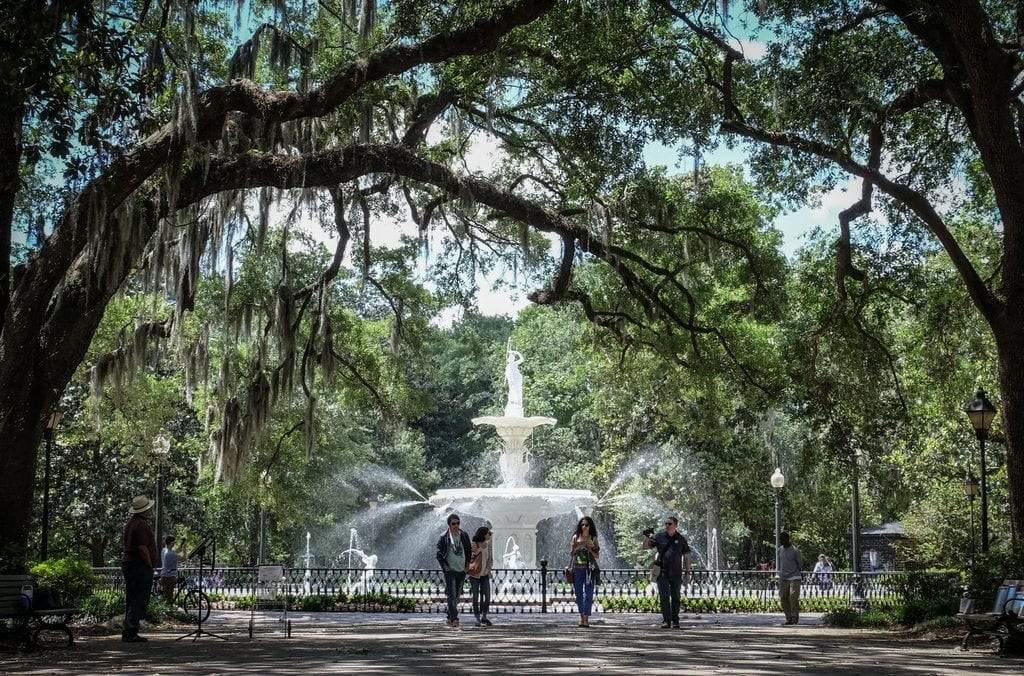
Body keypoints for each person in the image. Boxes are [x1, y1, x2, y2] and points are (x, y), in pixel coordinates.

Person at [121, 495, 159, 642]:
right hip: (139, 566)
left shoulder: (131, 523)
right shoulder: (141, 525)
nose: (150, 510)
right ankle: (131, 631)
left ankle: (129, 630)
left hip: (130, 565)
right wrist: (149, 564)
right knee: (138, 598)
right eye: (148, 508)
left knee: (131, 598)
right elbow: (142, 547)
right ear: (144, 510)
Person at [643, 516, 692, 629]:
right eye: (666, 523)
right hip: (662, 573)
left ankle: (675, 621)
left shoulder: (681, 539)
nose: (667, 526)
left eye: (669, 524)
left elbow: (687, 557)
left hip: (676, 573)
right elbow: (645, 547)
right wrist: (646, 537)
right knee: (664, 597)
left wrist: (688, 573)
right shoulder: (659, 536)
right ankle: (666, 621)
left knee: (676, 598)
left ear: (675, 525)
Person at [435, 513, 472, 628]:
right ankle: (454, 618)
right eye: (453, 524)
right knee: (452, 595)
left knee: (456, 596)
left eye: (458, 523)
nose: (456, 525)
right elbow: (438, 553)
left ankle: (449, 616)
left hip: (461, 570)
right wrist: (444, 566)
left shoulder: (464, 535)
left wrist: (467, 565)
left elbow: (469, 550)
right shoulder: (444, 537)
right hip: (450, 570)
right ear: (449, 525)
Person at [569, 515, 600, 627]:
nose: (584, 527)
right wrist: (577, 547)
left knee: (588, 594)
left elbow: (597, 556)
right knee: (579, 594)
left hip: (589, 570)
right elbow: (571, 553)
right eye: (582, 525)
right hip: (577, 569)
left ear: (590, 526)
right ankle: (581, 616)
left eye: (586, 525)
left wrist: (589, 548)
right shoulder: (575, 537)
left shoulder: (593, 539)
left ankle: (586, 619)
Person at [468, 526, 494, 626]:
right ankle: (477, 617)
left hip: (484, 574)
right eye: (489, 533)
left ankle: (484, 616)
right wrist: (479, 550)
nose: (490, 535)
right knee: (475, 596)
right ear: (484, 534)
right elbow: (471, 557)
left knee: (487, 596)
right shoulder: (474, 543)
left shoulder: (489, 545)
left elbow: (490, 559)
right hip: (475, 574)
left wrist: (489, 570)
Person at [777, 532, 804, 625]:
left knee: (793, 596)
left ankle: (794, 617)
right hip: (783, 577)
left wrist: (795, 571)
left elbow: (800, 563)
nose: (781, 541)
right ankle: (788, 618)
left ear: (788, 539)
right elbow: (780, 562)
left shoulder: (795, 550)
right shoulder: (780, 550)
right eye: (780, 539)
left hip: (794, 576)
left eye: (783, 539)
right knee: (783, 597)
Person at [159, 534, 187, 604]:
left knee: (166, 596)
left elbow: (176, 551)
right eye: (174, 542)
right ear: (171, 542)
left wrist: (181, 545)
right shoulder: (171, 554)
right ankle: (168, 611)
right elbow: (184, 559)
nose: (175, 543)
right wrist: (184, 549)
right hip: (170, 577)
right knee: (169, 597)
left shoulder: (164, 550)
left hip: (164, 574)